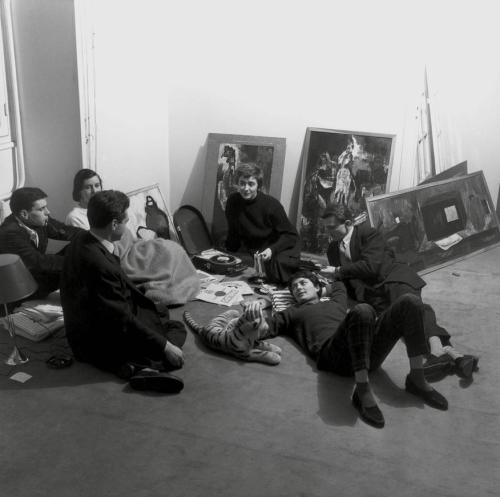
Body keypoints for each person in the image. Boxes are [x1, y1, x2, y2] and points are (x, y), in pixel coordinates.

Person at [243, 270, 448, 428]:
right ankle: (362, 390)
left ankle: (416, 378)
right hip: (333, 356)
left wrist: (320, 285)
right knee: (363, 310)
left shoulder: (336, 301)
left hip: (366, 351)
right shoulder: (291, 313)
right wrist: (257, 312)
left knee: (410, 301)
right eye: (294, 288)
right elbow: (263, 330)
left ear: (317, 287)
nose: (298, 288)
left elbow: (338, 284)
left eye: (303, 283)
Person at [320, 201, 478, 380]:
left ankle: (437, 352)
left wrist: (337, 271)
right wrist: (326, 289)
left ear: (348, 223)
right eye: (325, 228)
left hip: (394, 279)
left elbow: (371, 267)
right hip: (373, 294)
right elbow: (344, 281)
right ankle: (455, 356)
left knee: (414, 309)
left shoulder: (368, 234)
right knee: (406, 323)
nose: (328, 232)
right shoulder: (333, 249)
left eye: (331, 227)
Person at [60, 190, 187, 393]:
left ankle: (130, 365)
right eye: (126, 221)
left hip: (84, 325)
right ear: (113, 224)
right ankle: (138, 367)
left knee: (160, 312)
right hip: (96, 337)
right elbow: (121, 318)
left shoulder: (81, 239)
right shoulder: (101, 264)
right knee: (175, 335)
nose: (127, 225)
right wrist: (165, 347)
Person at [65, 170, 200, 308]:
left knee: (169, 247)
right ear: (79, 191)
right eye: (88, 187)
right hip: (118, 256)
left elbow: (125, 235)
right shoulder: (75, 216)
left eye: (97, 185)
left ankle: (177, 279)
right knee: (164, 258)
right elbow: (97, 242)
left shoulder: (105, 206)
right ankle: (168, 284)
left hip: (131, 247)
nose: (94, 190)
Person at [225, 163, 301, 284]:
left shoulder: (272, 205)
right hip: (257, 248)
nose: (246, 188)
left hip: (279, 246)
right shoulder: (232, 201)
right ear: (237, 184)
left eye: (251, 184)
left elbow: (290, 235)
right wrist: (229, 253)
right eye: (242, 183)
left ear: (258, 185)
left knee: (277, 271)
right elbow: (233, 230)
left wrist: (272, 250)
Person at [0, 187, 82, 297]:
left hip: (36, 272)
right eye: (41, 209)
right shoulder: (10, 233)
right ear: (24, 214)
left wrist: (95, 235)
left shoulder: (37, 220)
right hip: (23, 284)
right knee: (76, 268)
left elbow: (64, 231)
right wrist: (76, 262)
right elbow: (37, 261)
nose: (48, 212)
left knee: (79, 246)